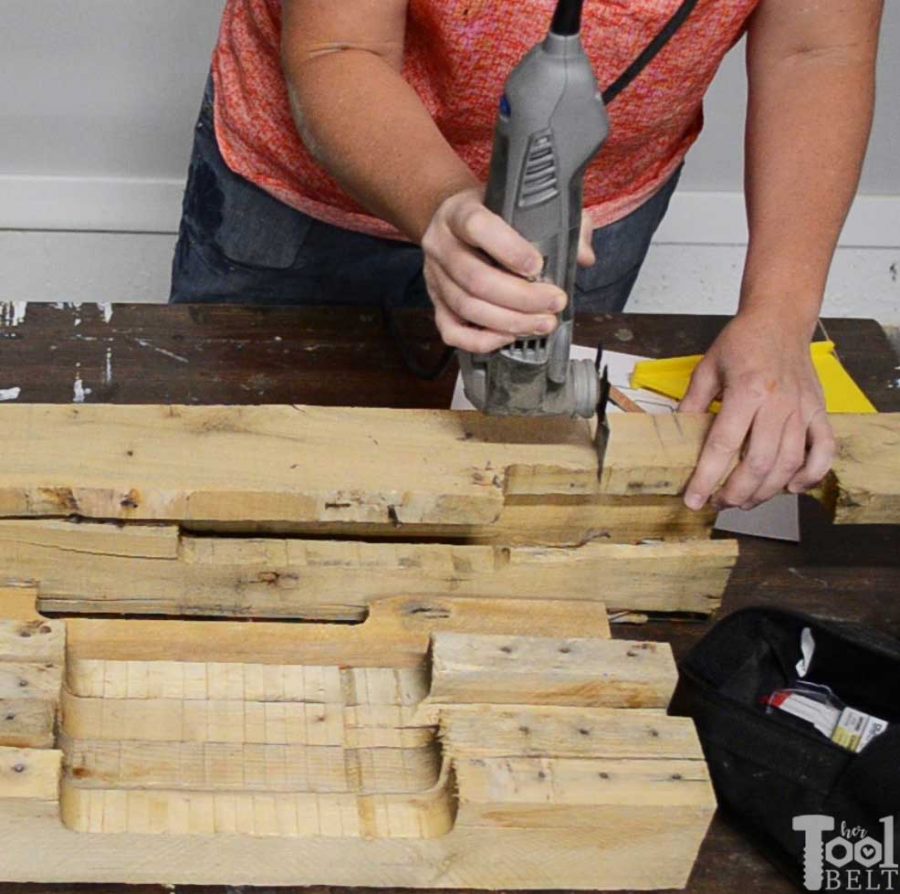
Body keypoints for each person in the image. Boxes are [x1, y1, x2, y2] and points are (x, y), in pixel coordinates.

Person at [171, 0, 883, 513]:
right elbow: (339, 48)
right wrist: (446, 206)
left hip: (587, 209)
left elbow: (817, 48)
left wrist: (780, 316)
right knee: (232, 487)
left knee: (522, 492)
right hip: (303, 191)